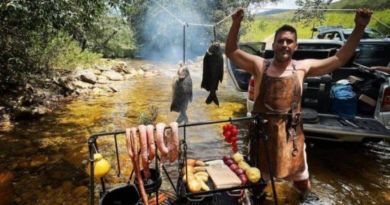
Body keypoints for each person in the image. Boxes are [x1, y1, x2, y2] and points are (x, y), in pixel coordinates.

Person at [225, 8, 372, 204]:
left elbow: (339, 59)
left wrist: (359, 27)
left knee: (302, 179)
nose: (284, 45)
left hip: (291, 135)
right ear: (274, 44)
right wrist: (236, 22)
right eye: (280, 41)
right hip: (262, 135)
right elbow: (231, 51)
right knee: (258, 180)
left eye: (289, 41)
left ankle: (307, 198)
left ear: (295, 46)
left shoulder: (303, 67)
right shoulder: (259, 65)